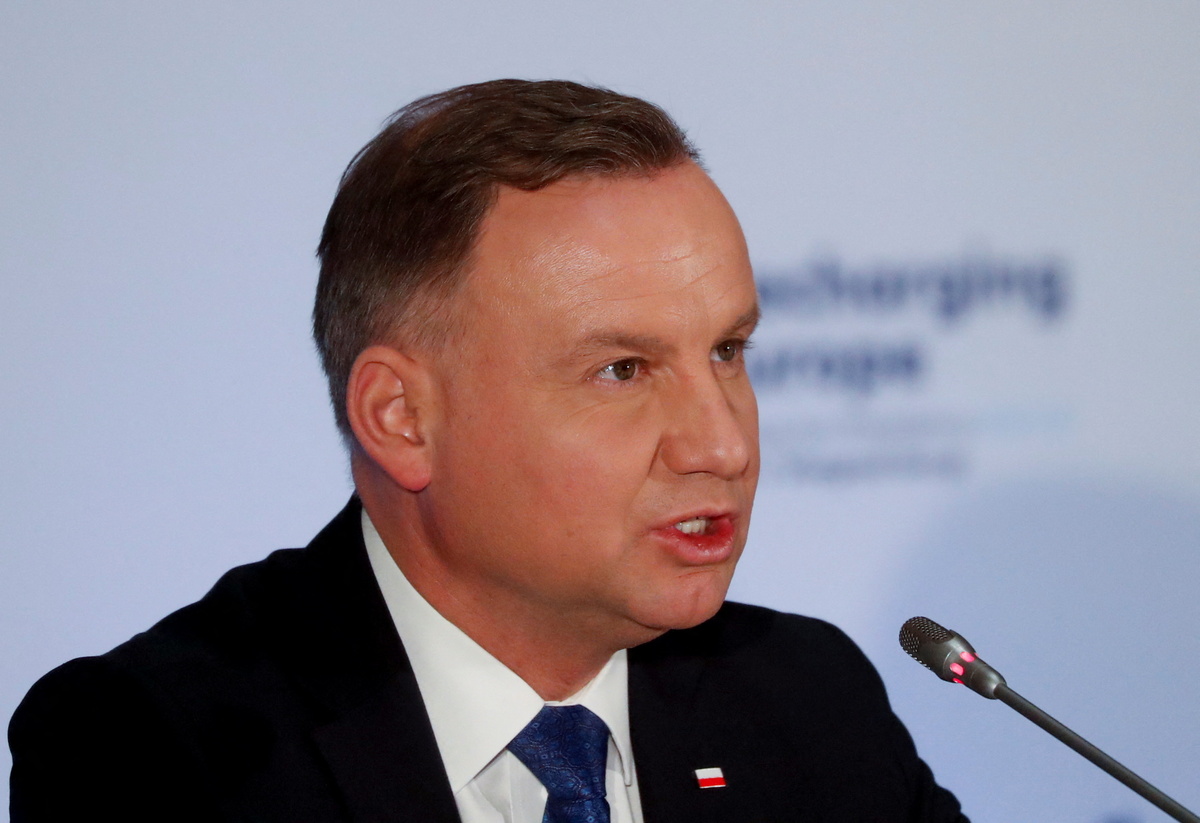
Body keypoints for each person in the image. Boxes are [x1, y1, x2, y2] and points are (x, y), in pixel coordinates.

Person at [9, 79, 967, 822]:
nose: (722, 442)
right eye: (623, 369)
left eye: (727, 350)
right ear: (401, 418)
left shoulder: (806, 700)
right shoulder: (164, 750)